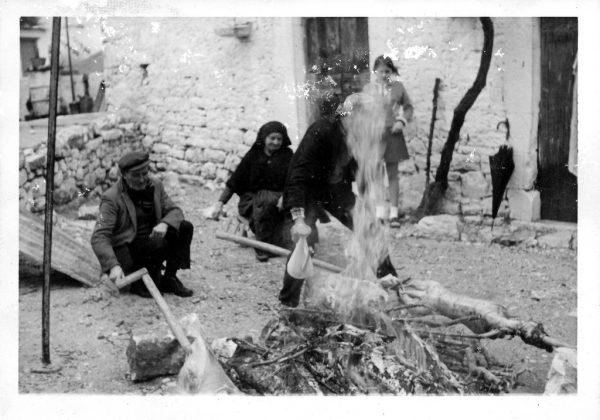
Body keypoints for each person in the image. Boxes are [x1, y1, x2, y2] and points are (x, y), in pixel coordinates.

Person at [278, 94, 398, 308]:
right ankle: (288, 303)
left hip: (334, 189)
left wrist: (367, 203)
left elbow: (362, 171)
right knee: (305, 241)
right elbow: (298, 175)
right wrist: (299, 220)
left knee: (369, 227)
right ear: (349, 115)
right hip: (308, 191)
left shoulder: (360, 135)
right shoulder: (321, 131)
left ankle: (391, 283)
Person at [91, 151, 194, 298]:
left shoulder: (155, 185)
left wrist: (164, 224)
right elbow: (99, 236)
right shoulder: (111, 198)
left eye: (145, 173)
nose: (141, 179)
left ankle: (169, 277)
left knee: (185, 227)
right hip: (129, 248)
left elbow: (175, 210)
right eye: (136, 175)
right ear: (124, 175)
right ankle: (141, 284)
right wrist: (113, 266)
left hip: (152, 242)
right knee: (158, 244)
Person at [208, 121, 294, 261]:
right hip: (252, 200)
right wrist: (220, 203)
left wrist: (285, 196)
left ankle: (284, 241)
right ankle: (263, 246)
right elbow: (235, 181)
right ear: (264, 138)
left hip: (280, 198)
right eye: (272, 138)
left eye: (279, 139)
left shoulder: (287, 155)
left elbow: (294, 179)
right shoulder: (253, 155)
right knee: (265, 200)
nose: (276, 142)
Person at [363, 55, 414, 227]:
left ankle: (393, 214)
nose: (384, 74)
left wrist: (401, 121)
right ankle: (379, 213)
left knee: (392, 174)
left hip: (393, 133)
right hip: (375, 135)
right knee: (377, 175)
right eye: (381, 71)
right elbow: (363, 111)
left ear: (392, 72)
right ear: (374, 71)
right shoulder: (368, 89)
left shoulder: (398, 87)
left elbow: (408, 107)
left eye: (387, 71)